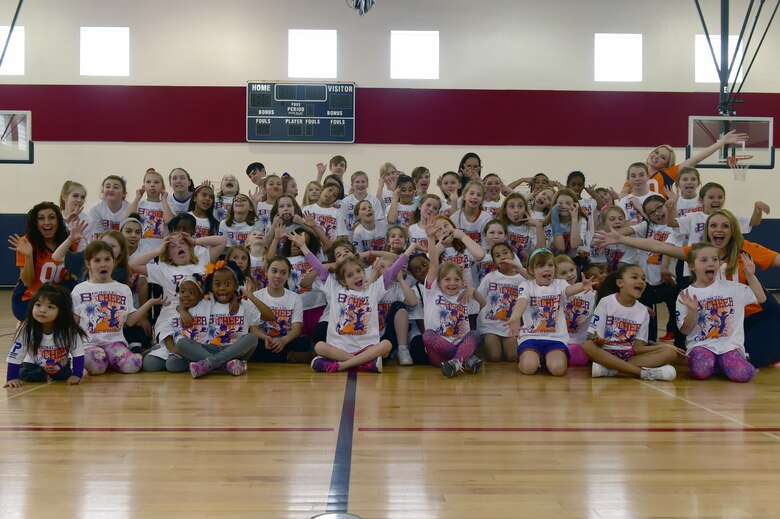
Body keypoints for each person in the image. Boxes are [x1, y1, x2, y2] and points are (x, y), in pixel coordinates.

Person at [595, 209, 780, 367]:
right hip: (716, 322)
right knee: (696, 358)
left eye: (725, 226)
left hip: (755, 315)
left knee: (750, 359)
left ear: (733, 230)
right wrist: (621, 238)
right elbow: (659, 246)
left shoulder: (746, 248)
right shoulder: (699, 252)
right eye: (713, 225)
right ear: (707, 230)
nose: (719, 230)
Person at [288, 231, 415, 374]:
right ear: (342, 280)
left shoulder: (373, 289)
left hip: (367, 347)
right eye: (350, 275)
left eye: (358, 271)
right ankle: (365, 364)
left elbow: (394, 269)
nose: (356, 276)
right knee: (319, 347)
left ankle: (341, 365)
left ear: (363, 271)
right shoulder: (335, 288)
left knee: (386, 345)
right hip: (340, 348)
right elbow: (318, 268)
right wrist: (303, 246)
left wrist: (411, 248)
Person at [72, 241, 165, 375]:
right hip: (89, 344)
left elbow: (130, 321)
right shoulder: (79, 289)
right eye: (97, 260)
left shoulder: (122, 289)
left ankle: (127, 356)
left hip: (114, 343)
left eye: (107, 259)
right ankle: (104, 360)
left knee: (132, 366)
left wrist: (149, 303)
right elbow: (73, 322)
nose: (103, 264)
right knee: (98, 366)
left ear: (113, 262)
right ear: (88, 264)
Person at [677, 243, 763, 382]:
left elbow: (761, 298)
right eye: (704, 260)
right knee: (701, 371)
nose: (710, 263)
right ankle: (715, 364)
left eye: (715, 259)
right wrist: (692, 311)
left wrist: (750, 276)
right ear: (692, 266)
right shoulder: (686, 294)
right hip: (700, 346)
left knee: (743, 374)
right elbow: (685, 330)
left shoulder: (733, 288)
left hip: (729, 346)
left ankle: (728, 362)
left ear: (720, 263)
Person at [582, 264, 679, 380]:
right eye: (634, 277)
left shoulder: (643, 311)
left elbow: (638, 348)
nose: (641, 281)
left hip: (630, 356)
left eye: (643, 279)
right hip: (606, 353)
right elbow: (593, 337)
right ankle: (643, 373)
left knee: (670, 353)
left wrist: (663, 347)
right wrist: (597, 340)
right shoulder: (606, 302)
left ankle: (611, 370)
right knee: (588, 346)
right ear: (620, 283)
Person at [178, 260, 273, 378]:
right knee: (181, 343)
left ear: (236, 285)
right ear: (211, 286)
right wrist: (182, 310)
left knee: (252, 338)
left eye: (227, 284)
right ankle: (227, 365)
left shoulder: (244, 304)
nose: (222, 288)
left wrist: (251, 296)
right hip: (210, 348)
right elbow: (185, 302)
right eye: (217, 284)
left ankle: (209, 363)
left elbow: (270, 316)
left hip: (234, 350)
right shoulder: (207, 301)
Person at [508, 248, 593, 376]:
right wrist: (515, 317)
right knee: (528, 368)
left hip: (555, 339)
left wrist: (581, 286)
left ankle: (545, 359)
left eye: (550, 265)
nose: (547, 269)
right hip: (531, 337)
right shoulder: (526, 285)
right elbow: (522, 302)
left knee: (558, 370)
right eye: (541, 266)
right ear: (531, 270)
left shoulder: (560, 284)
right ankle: (534, 358)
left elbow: (569, 290)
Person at [422, 224, 485, 377]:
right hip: (438, 353)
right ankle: (464, 359)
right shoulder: (432, 291)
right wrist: (431, 238)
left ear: (462, 281)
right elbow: (433, 263)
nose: (452, 283)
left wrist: (473, 290)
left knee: (475, 334)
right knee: (427, 335)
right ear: (439, 280)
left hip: (459, 346)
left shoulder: (463, 295)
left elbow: (484, 304)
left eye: (457, 280)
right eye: (447, 279)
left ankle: (456, 362)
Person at [5, 284, 88, 388]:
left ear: (61, 311)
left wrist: (77, 374)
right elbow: (15, 354)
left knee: (62, 376)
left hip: (59, 366)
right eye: (38, 305)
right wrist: (11, 377)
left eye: (50, 307)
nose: (42, 310)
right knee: (33, 374)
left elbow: (78, 353)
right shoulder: (27, 328)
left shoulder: (69, 330)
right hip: (33, 365)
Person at [620, 130, 746, 198]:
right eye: (656, 152)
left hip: (660, 219)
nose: (656, 157)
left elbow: (696, 159)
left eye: (662, 157)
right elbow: (623, 194)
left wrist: (721, 143)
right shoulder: (637, 173)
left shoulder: (668, 173)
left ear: (666, 164)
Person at [9, 202, 73, 321]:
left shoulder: (68, 241)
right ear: (35, 223)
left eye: (52, 217)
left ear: (58, 221)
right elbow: (27, 282)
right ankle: (26, 329)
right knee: (49, 316)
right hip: (28, 298)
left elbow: (71, 277)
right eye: (41, 218)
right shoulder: (26, 242)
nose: (47, 222)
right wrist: (28, 256)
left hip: (55, 297)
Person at [251, 256, 312, 363]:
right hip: (264, 340)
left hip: (286, 340)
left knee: (304, 343)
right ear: (266, 272)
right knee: (251, 344)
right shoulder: (256, 296)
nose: (278, 276)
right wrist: (266, 338)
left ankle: (278, 357)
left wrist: (283, 340)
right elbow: (254, 329)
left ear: (288, 275)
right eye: (274, 271)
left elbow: (296, 329)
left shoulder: (295, 298)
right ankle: (288, 357)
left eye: (283, 273)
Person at [478, 243, 526, 362]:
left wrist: (517, 266)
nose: (502, 257)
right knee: (494, 356)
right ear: (494, 261)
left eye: (505, 253)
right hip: (490, 326)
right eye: (498, 255)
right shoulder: (490, 277)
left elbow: (535, 280)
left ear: (513, 255)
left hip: (510, 326)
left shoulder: (522, 278)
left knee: (513, 356)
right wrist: (472, 291)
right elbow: (480, 299)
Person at [554, 255, 594, 366]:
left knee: (577, 357)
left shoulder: (590, 293)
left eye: (571, 270)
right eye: (563, 273)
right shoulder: (553, 292)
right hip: (557, 340)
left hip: (578, 342)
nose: (570, 275)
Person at [126, 168, 174, 253]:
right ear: (144, 187)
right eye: (148, 182)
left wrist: (164, 200)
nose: (152, 185)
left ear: (162, 187)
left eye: (156, 182)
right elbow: (128, 217)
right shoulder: (140, 204)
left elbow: (169, 220)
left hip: (160, 249)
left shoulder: (167, 204)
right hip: (141, 249)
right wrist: (137, 198)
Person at [497, 193, 546, 265]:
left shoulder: (532, 229)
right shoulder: (500, 227)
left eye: (520, 206)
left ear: (525, 210)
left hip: (527, 269)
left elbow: (542, 252)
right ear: (505, 210)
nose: (516, 210)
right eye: (512, 206)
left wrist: (539, 226)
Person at [546, 188, 588, 259]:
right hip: (554, 260)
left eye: (568, 203)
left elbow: (574, 245)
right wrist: (554, 217)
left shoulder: (581, 221)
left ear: (575, 205)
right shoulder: (549, 222)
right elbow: (561, 247)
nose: (563, 206)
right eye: (559, 203)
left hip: (573, 260)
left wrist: (574, 219)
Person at [341, 171, 385, 237]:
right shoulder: (346, 201)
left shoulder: (374, 200)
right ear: (352, 185)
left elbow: (380, 221)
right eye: (357, 182)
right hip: (350, 239)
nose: (360, 185)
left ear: (367, 184)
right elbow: (341, 223)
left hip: (369, 239)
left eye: (363, 182)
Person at [451, 180, 491, 246]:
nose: (475, 197)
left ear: (482, 200)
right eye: (471, 193)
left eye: (479, 195)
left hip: (479, 254)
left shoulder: (486, 218)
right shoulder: (455, 217)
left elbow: (485, 246)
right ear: (464, 196)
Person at [59, 180, 93, 251]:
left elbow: (84, 247)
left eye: (82, 197)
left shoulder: (87, 219)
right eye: (75, 196)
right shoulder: (57, 216)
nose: (79, 200)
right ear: (64, 197)